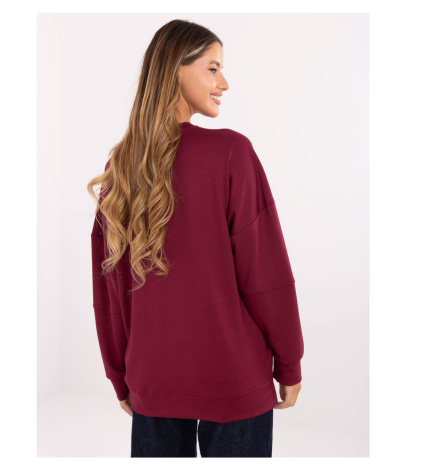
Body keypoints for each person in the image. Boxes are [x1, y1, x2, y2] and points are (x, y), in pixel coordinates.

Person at [87, 19, 304, 458]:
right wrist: (290, 361)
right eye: (213, 68)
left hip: (153, 379)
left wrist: (120, 373)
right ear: (175, 69)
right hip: (233, 377)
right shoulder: (230, 152)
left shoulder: (121, 168)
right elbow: (265, 273)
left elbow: (109, 288)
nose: (224, 83)